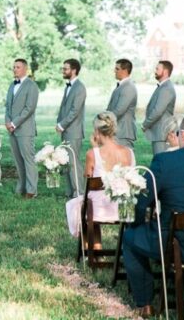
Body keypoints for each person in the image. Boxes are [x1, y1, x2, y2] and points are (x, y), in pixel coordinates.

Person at [122, 114, 184, 318]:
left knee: (130, 238)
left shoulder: (164, 161)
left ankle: (144, 303)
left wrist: (137, 223)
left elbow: (142, 202)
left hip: (176, 246)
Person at [65, 112, 135, 242]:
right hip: (123, 206)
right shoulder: (128, 152)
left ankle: (94, 250)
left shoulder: (92, 154)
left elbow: (87, 177)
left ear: (97, 131)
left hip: (99, 209)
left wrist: (95, 148)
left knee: (78, 204)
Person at [4, 58, 39, 198]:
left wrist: (14, 123)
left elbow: (29, 108)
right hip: (11, 130)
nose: (14, 69)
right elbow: (8, 106)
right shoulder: (12, 85)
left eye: (17, 67)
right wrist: (7, 122)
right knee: (18, 161)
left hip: (24, 129)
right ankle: (22, 187)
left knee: (28, 160)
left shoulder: (32, 86)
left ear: (25, 69)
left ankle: (32, 190)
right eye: (13, 67)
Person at [56, 58, 86, 198]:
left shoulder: (80, 88)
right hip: (65, 131)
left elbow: (75, 111)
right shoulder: (68, 86)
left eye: (66, 68)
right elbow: (63, 108)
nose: (63, 71)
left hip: (73, 131)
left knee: (74, 162)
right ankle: (70, 191)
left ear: (74, 70)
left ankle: (79, 192)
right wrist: (59, 123)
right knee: (66, 162)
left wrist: (62, 124)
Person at [141, 61, 176, 155]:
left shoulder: (166, 88)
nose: (155, 71)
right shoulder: (163, 86)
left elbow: (158, 111)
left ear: (165, 71)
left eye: (157, 69)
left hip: (161, 133)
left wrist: (145, 124)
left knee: (161, 162)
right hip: (159, 133)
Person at [106, 58, 137, 149]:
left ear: (125, 70)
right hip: (117, 131)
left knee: (124, 162)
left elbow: (119, 110)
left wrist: (104, 122)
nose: (114, 71)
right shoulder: (122, 85)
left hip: (123, 133)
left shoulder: (128, 87)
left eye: (117, 69)